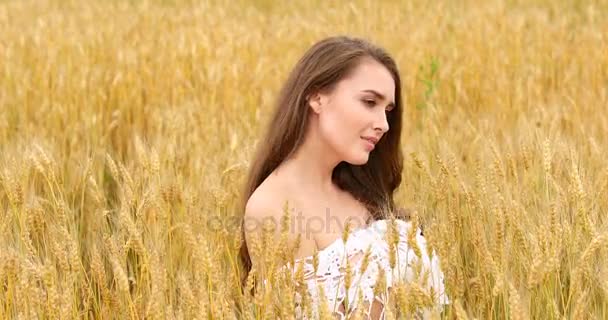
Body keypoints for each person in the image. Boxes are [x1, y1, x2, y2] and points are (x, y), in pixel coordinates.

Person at [237, 36, 448, 319]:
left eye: (387, 110)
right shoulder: (272, 206)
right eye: (369, 102)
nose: (384, 125)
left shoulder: (359, 185)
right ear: (317, 97)